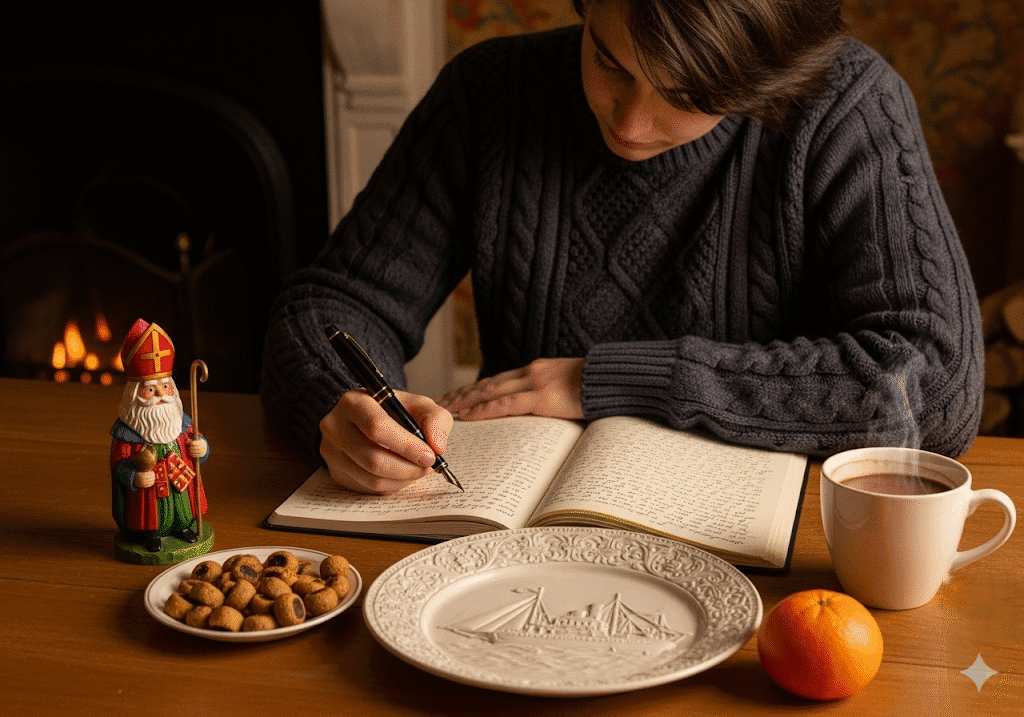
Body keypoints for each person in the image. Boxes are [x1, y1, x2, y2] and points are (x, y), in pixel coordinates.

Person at [260, 0, 983, 494]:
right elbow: (332, 304)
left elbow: (937, 383)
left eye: (689, 94)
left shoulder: (847, 106)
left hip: (768, 548)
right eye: (609, 62)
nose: (631, 124)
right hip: (510, 529)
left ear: (761, 79)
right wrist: (344, 406)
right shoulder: (489, 93)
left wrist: (602, 381)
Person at [110, 319, 210, 551]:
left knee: (182, 506)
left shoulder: (181, 422)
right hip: (149, 490)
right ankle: (151, 534)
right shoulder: (127, 431)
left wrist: (202, 447)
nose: (160, 396)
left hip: (180, 480)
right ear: (135, 394)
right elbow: (119, 463)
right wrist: (133, 476)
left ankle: (182, 527)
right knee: (151, 511)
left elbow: (196, 440)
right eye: (150, 389)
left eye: (165, 387)